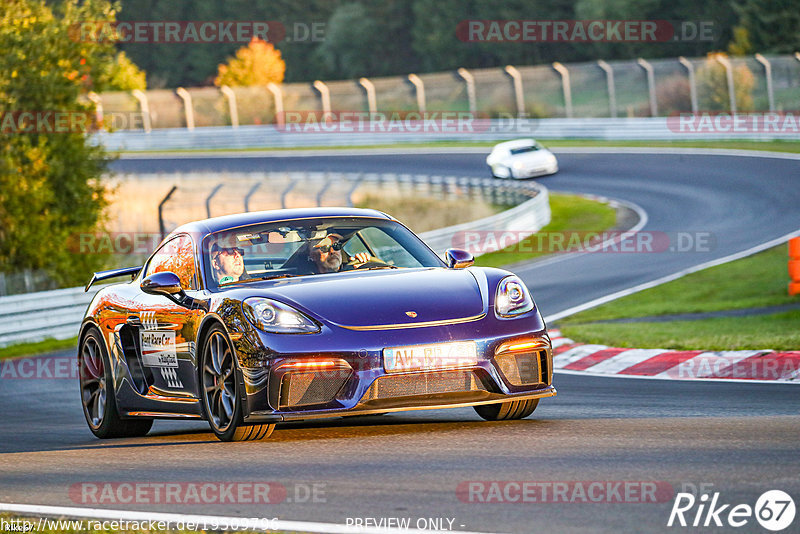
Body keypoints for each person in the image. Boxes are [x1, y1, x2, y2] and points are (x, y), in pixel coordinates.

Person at [308, 232, 374, 274]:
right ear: (313, 256)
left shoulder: (354, 271)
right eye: (326, 248)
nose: (333, 251)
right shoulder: (308, 281)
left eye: (336, 246)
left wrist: (365, 267)